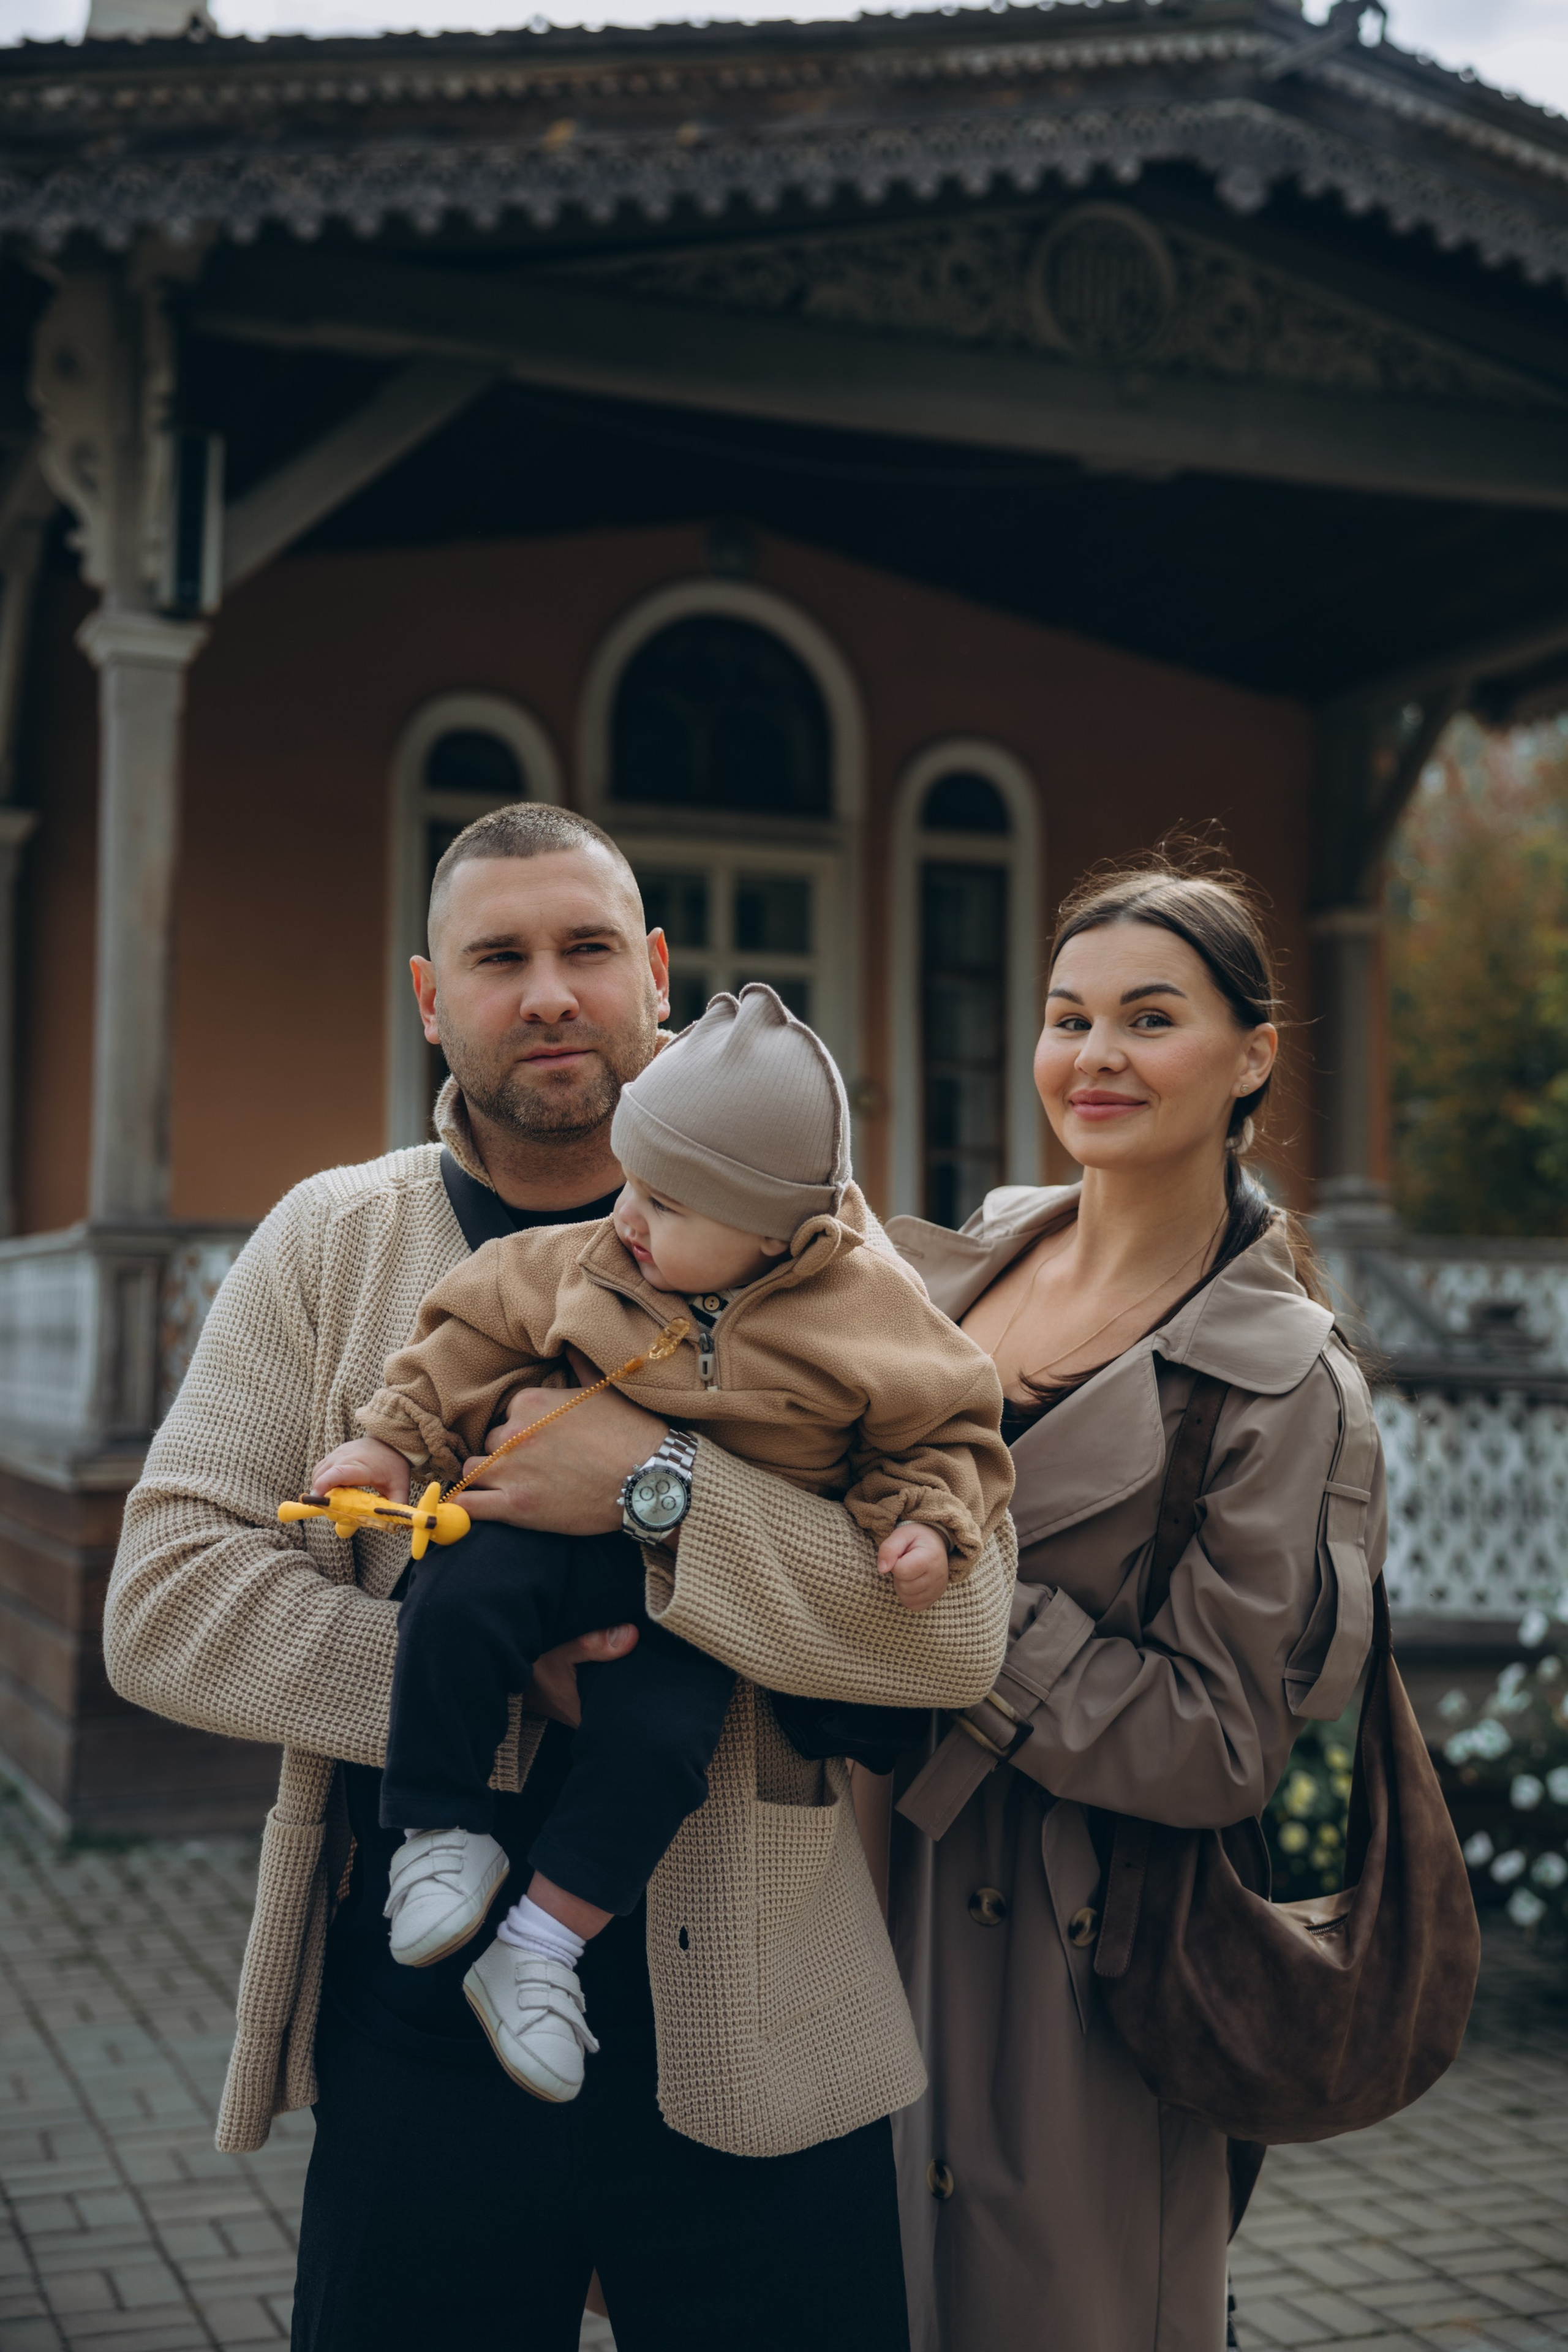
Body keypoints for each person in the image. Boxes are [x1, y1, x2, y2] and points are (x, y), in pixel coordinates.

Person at [103, 799, 1015, 2352]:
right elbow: (167, 1598)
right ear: (429, 996)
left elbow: (953, 1640)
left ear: (656, 972)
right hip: (419, 2019)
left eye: (588, 948)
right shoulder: (335, 1242)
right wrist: (492, 1686)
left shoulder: (825, 1256)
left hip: (757, 2016)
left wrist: (656, 1498)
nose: (549, 992)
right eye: (499, 955)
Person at [311, 981, 1011, 2103]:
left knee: (662, 1748)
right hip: (533, 1531)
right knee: (455, 1598)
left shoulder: (870, 1318)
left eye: (671, 1205)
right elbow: (462, 1340)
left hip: (692, 1595)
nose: (629, 1217)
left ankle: (539, 1947)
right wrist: (389, 1451)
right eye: (632, 1182)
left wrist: (927, 1521)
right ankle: (439, 1827)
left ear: (784, 1239)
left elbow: (945, 1430)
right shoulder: (584, 1259)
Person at [870, 856, 1386, 2351]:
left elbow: (1221, 1744)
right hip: (850, 1911)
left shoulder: (1285, 1382)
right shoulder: (948, 1279)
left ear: (1251, 1057)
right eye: (1065, 1016)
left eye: (1147, 1019)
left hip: (1078, 1971)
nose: (1092, 1058)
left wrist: (964, 1609)